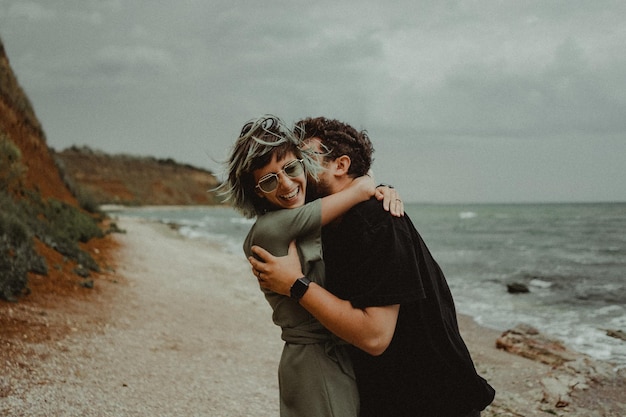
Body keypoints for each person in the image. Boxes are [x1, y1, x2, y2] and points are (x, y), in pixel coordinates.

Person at [249, 116, 496, 417]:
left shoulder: (375, 222)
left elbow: (374, 337)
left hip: (432, 398)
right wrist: (370, 185)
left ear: (340, 165)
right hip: (392, 394)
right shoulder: (332, 222)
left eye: (305, 159)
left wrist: (296, 285)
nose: (297, 170)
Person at [217, 115, 401, 417]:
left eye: (290, 168)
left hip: (329, 357)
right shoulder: (269, 230)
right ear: (257, 192)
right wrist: (369, 185)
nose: (287, 184)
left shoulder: (300, 218)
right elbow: (355, 193)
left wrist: (384, 191)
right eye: (269, 180)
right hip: (314, 364)